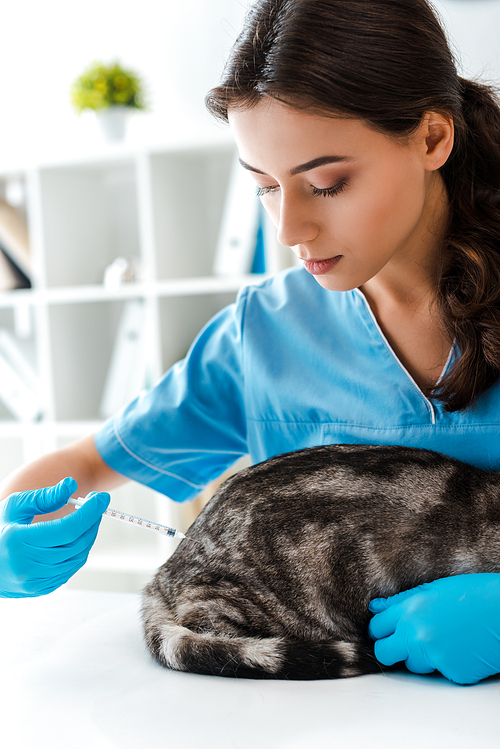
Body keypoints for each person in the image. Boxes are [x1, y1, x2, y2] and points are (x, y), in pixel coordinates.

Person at [2, 0, 500, 684]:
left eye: (327, 184)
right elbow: (84, 467)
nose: (290, 229)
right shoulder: (266, 331)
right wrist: (14, 537)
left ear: (432, 138)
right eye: (265, 187)